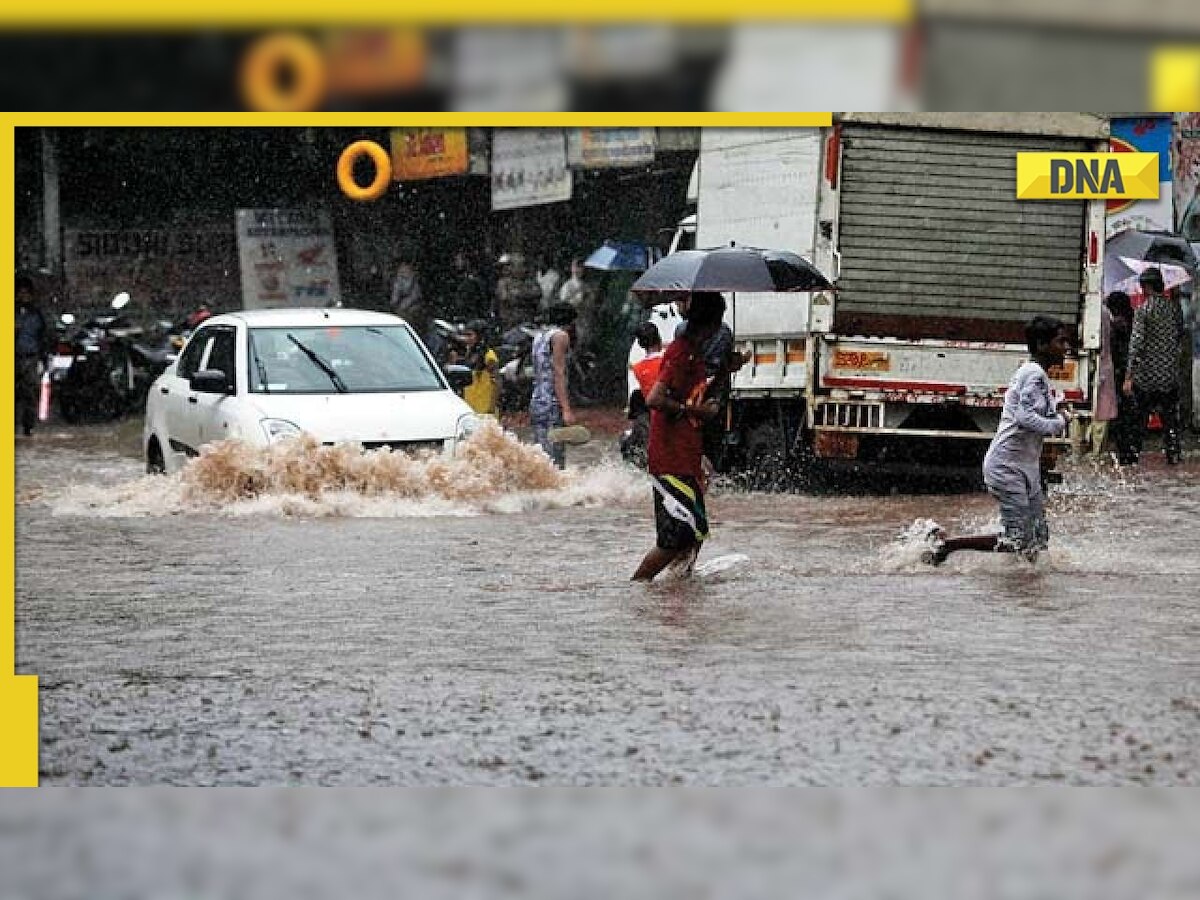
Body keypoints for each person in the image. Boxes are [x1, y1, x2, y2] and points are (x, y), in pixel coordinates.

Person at [925, 316, 1073, 566]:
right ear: (1041, 344)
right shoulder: (1033, 374)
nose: (1066, 347)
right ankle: (947, 546)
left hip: (1024, 467)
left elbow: (1030, 410)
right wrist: (1060, 422)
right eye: (1060, 341)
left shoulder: (1036, 375)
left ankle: (1025, 586)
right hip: (1006, 467)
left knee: (1038, 538)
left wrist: (1057, 408)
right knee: (1018, 540)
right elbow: (1024, 417)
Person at [632, 292, 727, 582]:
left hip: (686, 452)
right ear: (711, 323)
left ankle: (679, 586)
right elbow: (656, 399)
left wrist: (726, 370)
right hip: (670, 455)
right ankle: (638, 585)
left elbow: (697, 393)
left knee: (696, 530)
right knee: (673, 539)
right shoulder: (680, 352)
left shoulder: (693, 353)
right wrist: (693, 411)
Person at [1123, 267, 1186, 465]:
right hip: (1169, 375)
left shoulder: (1143, 311)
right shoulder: (1174, 310)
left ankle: (1133, 455)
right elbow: (1179, 337)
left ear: (1147, 286)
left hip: (1147, 377)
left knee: (1140, 419)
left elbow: (1136, 345)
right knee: (1170, 419)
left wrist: (1128, 376)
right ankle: (1173, 452)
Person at [529, 304, 578, 469]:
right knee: (555, 458)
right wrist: (566, 409)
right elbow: (558, 373)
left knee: (540, 452)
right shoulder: (560, 337)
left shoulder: (539, 336)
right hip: (551, 402)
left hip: (537, 399)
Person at [1104, 291, 1138, 465]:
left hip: (1120, 374)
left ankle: (1124, 452)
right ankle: (1130, 451)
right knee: (1131, 415)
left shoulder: (1118, 324)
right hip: (1134, 374)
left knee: (1121, 415)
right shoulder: (1134, 320)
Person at [15, 274, 51, 437]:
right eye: (20, 293)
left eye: (26, 293)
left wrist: (43, 358)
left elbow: (44, 336)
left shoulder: (37, 314)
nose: (23, 296)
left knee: (29, 393)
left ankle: (27, 427)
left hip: (30, 357)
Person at [458, 319, 500, 416]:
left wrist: (491, 408)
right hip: (470, 407)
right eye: (465, 335)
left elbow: (497, 383)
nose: (466, 339)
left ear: (480, 336)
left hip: (484, 409)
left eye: (470, 335)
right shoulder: (469, 354)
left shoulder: (489, 356)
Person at [495, 253, 542, 331]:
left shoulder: (530, 281)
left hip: (528, 321)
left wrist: (520, 295)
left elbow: (537, 294)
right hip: (510, 323)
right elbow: (506, 298)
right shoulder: (503, 282)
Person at [390, 255, 429, 340]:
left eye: (405, 268)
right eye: (401, 268)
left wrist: (403, 307)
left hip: (412, 310)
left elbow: (414, 296)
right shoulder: (398, 280)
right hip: (402, 310)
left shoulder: (414, 281)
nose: (402, 270)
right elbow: (394, 298)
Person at [446, 251, 489, 322]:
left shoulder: (473, 281)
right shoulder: (456, 280)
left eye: (458, 260)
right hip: (461, 317)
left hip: (471, 317)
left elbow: (480, 299)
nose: (456, 263)